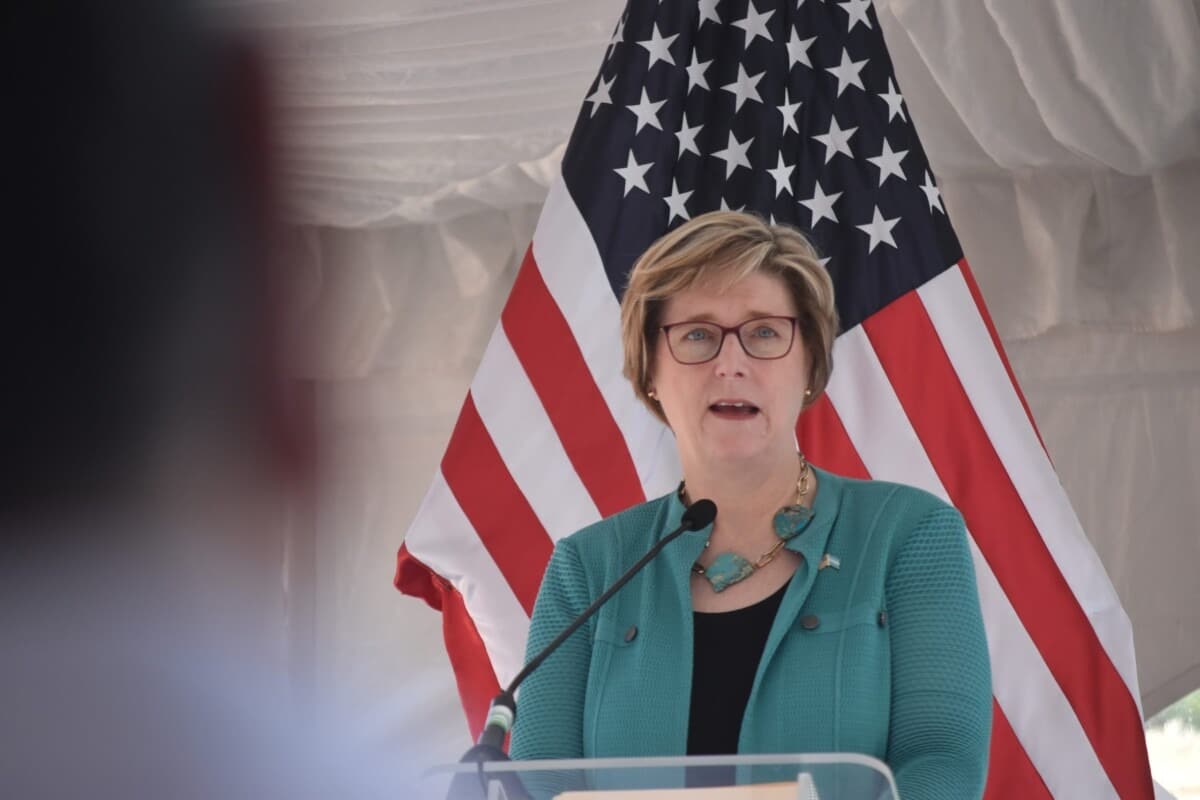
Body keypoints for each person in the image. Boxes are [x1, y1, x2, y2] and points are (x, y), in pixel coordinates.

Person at [508, 211, 993, 798]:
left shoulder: (909, 535)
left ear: (809, 363)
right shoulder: (587, 570)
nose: (731, 363)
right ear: (650, 370)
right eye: (697, 335)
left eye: (764, 333)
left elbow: (941, 762)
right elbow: (536, 787)